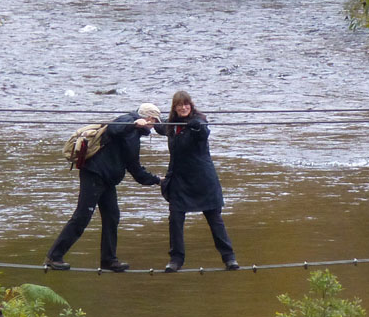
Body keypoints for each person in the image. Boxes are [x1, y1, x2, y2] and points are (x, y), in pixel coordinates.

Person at [44, 103, 162, 272]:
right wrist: (134, 123)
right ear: (148, 118)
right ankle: (54, 256)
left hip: (107, 180)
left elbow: (135, 168)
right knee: (82, 216)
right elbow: (114, 129)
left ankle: (108, 260)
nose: (153, 126)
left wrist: (157, 180)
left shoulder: (134, 137)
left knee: (112, 217)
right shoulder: (127, 121)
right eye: (154, 122)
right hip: (94, 174)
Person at [157, 91, 239, 272]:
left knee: (214, 219)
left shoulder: (198, 122)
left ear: (191, 105)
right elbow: (159, 126)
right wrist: (146, 119)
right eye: (179, 105)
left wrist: (196, 126)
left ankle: (229, 258)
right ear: (175, 108)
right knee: (175, 219)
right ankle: (176, 260)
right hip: (179, 180)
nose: (183, 107)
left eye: (186, 104)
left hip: (203, 180)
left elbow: (204, 131)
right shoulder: (171, 125)